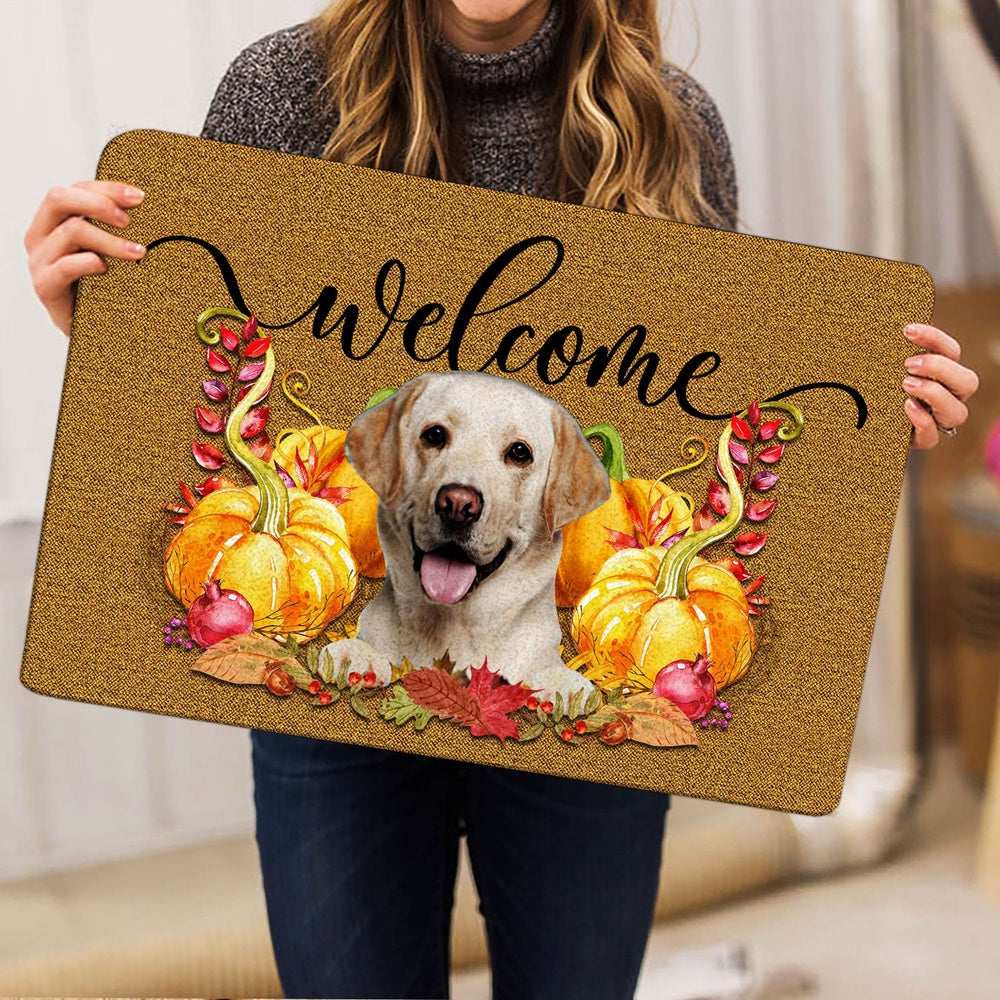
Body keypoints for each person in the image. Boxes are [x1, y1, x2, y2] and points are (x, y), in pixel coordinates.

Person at [23, 2, 981, 998]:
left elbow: (694, 446)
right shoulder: (280, 94)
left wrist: (860, 425)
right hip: (335, 692)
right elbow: (225, 377)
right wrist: (110, 327)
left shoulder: (670, 125)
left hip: (579, 699)